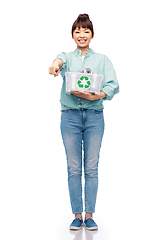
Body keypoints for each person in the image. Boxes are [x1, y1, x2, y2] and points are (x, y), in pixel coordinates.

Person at [48, 14, 119, 231]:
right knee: (73, 167)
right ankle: (77, 215)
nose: (82, 35)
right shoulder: (67, 57)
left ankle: (90, 215)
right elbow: (58, 61)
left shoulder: (102, 59)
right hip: (69, 116)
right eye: (78, 31)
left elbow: (112, 85)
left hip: (94, 117)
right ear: (72, 35)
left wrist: (95, 96)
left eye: (86, 31)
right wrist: (54, 65)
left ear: (92, 34)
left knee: (91, 167)